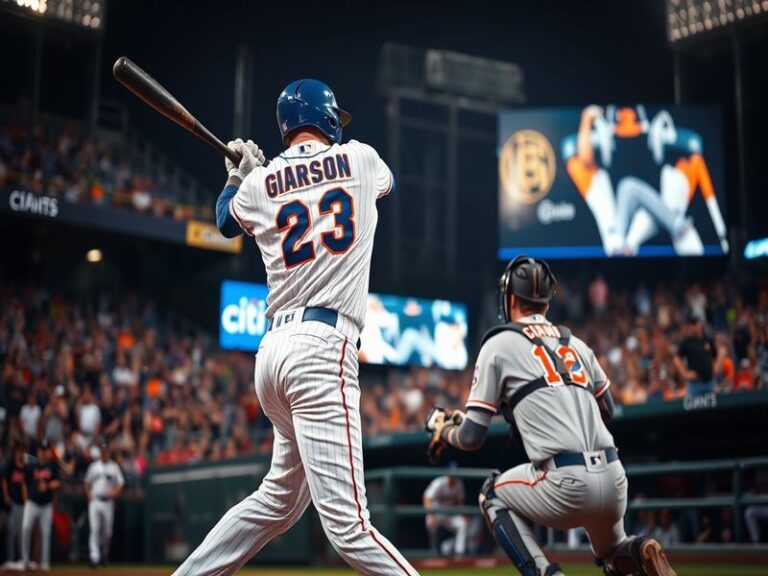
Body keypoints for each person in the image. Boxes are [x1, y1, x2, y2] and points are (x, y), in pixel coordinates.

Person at [173, 79, 416, 576]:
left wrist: (238, 176)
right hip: (322, 350)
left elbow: (223, 219)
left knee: (279, 501)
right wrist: (281, 173)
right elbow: (383, 185)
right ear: (327, 119)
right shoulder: (364, 159)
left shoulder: (260, 184)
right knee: (351, 529)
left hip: (274, 356)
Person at [425, 256, 676, 576]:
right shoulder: (577, 344)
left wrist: (445, 429)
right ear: (545, 300)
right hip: (614, 477)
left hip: (565, 482)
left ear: (511, 299)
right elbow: (608, 409)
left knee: (492, 495)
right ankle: (640, 550)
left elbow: (472, 437)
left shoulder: (499, 343)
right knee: (614, 554)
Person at [21, 440, 60, 572]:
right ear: (38, 451)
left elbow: (58, 483)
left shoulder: (53, 466)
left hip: (46, 504)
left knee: (45, 533)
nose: (43, 453)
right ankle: (25, 560)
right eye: (41, 450)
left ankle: (44, 562)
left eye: (45, 450)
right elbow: (24, 482)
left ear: (48, 451)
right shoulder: (31, 464)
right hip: (32, 502)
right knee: (26, 528)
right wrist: (26, 498)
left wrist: (48, 485)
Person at [84, 444, 125, 567]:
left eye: (106, 452)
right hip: (95, 501)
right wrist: (89, 495)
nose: (104, 454)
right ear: (100, 453)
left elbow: (120, 483)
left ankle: (104, 554)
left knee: (107, 532)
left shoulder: (114, 467)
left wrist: (114, 493)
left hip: (108, 502)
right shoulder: (94, 466)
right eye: (102, 451)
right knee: (94, 529)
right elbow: (86, 483)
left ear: (109, 453)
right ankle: (94, 557)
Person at [423, 468, 468, 557]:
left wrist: (463, 515)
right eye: (451, 474)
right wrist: (431, 515)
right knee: (430, 524)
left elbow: (460, 502)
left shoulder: (459, 484)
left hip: (449, 514)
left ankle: (460, 553)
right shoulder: (439, 483)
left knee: (462, 524)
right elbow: (427, 498)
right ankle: (433, 551)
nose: (453, 477)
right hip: (437, 513)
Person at [673, 314, 716, 397]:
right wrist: (685, 373)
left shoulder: (707, 340)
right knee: (693, 408)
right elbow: (676, 359)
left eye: (696, 323)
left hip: (709, 382)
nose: (694, 326)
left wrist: (713, 372)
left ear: (700, 324)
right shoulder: (687, 342)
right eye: (692, 324)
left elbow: (714, 357)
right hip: (695, 384)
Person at [2, 444, 27, 570]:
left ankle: (21, 559)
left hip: (23, 504)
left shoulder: (26, 468)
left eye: (21, 451)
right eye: (18, 451)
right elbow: (4, 481)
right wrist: (6, 496)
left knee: (22, 533)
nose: (19, 454)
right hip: (13, 503)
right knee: (12, 532)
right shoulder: (10, 465)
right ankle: (10, 559)